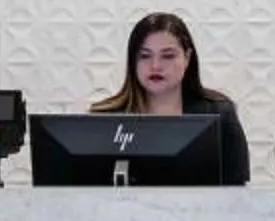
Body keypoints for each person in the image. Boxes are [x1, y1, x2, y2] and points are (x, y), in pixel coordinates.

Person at [89, 11, 250, 184]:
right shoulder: (104, 120)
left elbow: (238, 196)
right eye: (144, 56)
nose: (155, 66)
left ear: (187, 58)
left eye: (168, 56)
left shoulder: (220, 115)